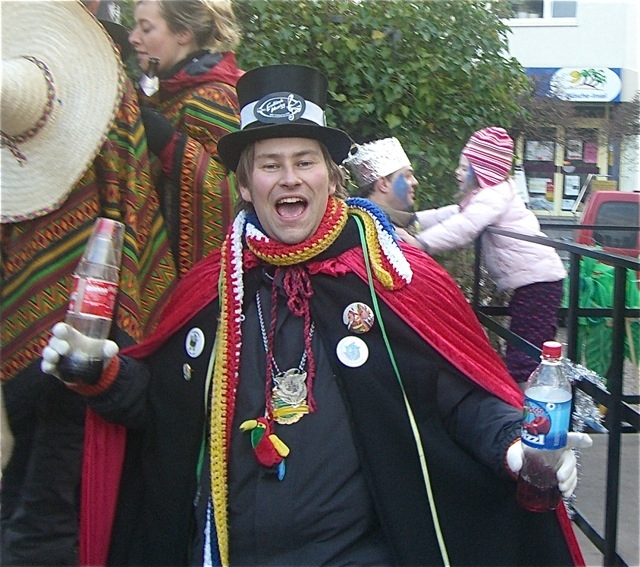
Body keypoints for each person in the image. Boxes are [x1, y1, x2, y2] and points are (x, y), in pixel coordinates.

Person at [42, 65, 591, 566]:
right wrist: (101, 374)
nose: (290, 178)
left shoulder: (392, 276)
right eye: (270, 165)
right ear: (245, 184)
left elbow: (459, 396)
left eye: (304, 162)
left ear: (331, 177)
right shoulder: (213, 285)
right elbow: (165, 412)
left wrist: (516, 444)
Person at [0, 2, 177, 565]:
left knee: (24, 492)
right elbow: (131, 197)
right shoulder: (111, 97)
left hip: (23, 322)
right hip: (95, 319)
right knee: (57, 504)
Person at [397, 127, 568, 384]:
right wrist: (414, 220)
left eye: (464, 168)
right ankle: (534, 391)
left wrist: (421, 243)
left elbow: (465, 226)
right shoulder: (488, 196)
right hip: (536, 281)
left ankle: (526, 398)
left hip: (538, 282)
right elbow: (453, 214)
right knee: (530, 342)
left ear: (483, 172)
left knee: (525, 350)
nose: (457, 172)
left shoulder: (493, 196)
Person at [129, 0, 244, 276]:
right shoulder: (162, 95)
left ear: (183, 34)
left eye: (146, 29)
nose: (133, 38)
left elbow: (232, 191)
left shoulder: (213, 97)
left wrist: (170, 145)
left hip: (199, 280)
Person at [343, 136, 460, 235]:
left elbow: (429, 218)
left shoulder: (394, 223)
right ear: (383, 184)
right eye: (407, 176)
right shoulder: (370, 230)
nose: (415, 182)